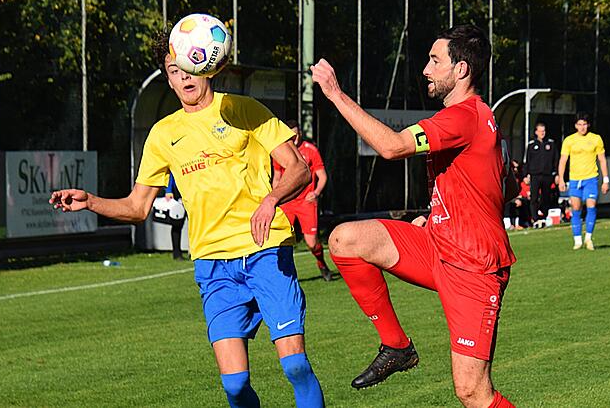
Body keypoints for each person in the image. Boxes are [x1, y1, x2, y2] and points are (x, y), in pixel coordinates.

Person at [49, 30, 324, 408]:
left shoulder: (244, 109)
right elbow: (138, 207)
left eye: (189, 68)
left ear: (206, 66)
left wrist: (271, 199)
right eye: (174, 71)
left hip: (265, 250)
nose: (184, 77)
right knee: (235, 385)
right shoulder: (163, 134)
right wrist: (91, 201)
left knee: (294, 366)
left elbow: (299, 169)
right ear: (168, 77)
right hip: (213, 264)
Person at [311, 25, 516, 407]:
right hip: (440, 246)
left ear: (461, 70)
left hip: (473, 267)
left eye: (435, 61)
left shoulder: (464, 116)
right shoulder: (479, 117)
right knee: (345, 239)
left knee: (472, 391)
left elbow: (391, 147)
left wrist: (336, 94)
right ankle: (397, 346)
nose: (426, 69)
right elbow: (505, 185)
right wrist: (438, 216)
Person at [272, 119, 333, 281]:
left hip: (306, 202)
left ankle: (321, 263)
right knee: (282, 240)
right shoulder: (281, 151)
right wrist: (274, 198)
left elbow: (322, 176)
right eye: (291, 135)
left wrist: (316, 192)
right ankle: (283, 277)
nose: (295, 138)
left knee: (311, 243)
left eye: (297, 134)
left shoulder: (310, 150)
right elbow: (277, 178)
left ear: (300, 133)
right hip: (287, 202)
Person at [558, 112, 609, 251]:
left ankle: (589, 238)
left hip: (591, 178)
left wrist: (606, 180)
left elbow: (602, 160)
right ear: (575, 126)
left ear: (588, 125)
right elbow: (563, 160)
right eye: (579, 124)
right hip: (575, 179)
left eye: (584, 124)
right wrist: (561, 178)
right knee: (576, 208)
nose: (582, 127)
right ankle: (577, 240)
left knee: (591, 206)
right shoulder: (569, 140)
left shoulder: (596, 139)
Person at [524, 122, 559, 227]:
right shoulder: (531, 145)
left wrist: (557, 174)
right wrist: (526, 175)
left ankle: (544, 216)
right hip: (535, 175)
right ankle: (535, 219)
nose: (542, 133)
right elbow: (527, 161)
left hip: (547, 175)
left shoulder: (551, 144)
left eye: (543, 131)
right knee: (534, 197)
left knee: (546, 197)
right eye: (540, 131)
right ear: (536, 132)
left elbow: (556, 160)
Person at [163, 172, 185, 260]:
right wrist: (168, 190)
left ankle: (194, 252)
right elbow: (170, 172)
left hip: (192, 191)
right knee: (177, 223)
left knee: (195, 224)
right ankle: (177, 253)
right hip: (177, 193)